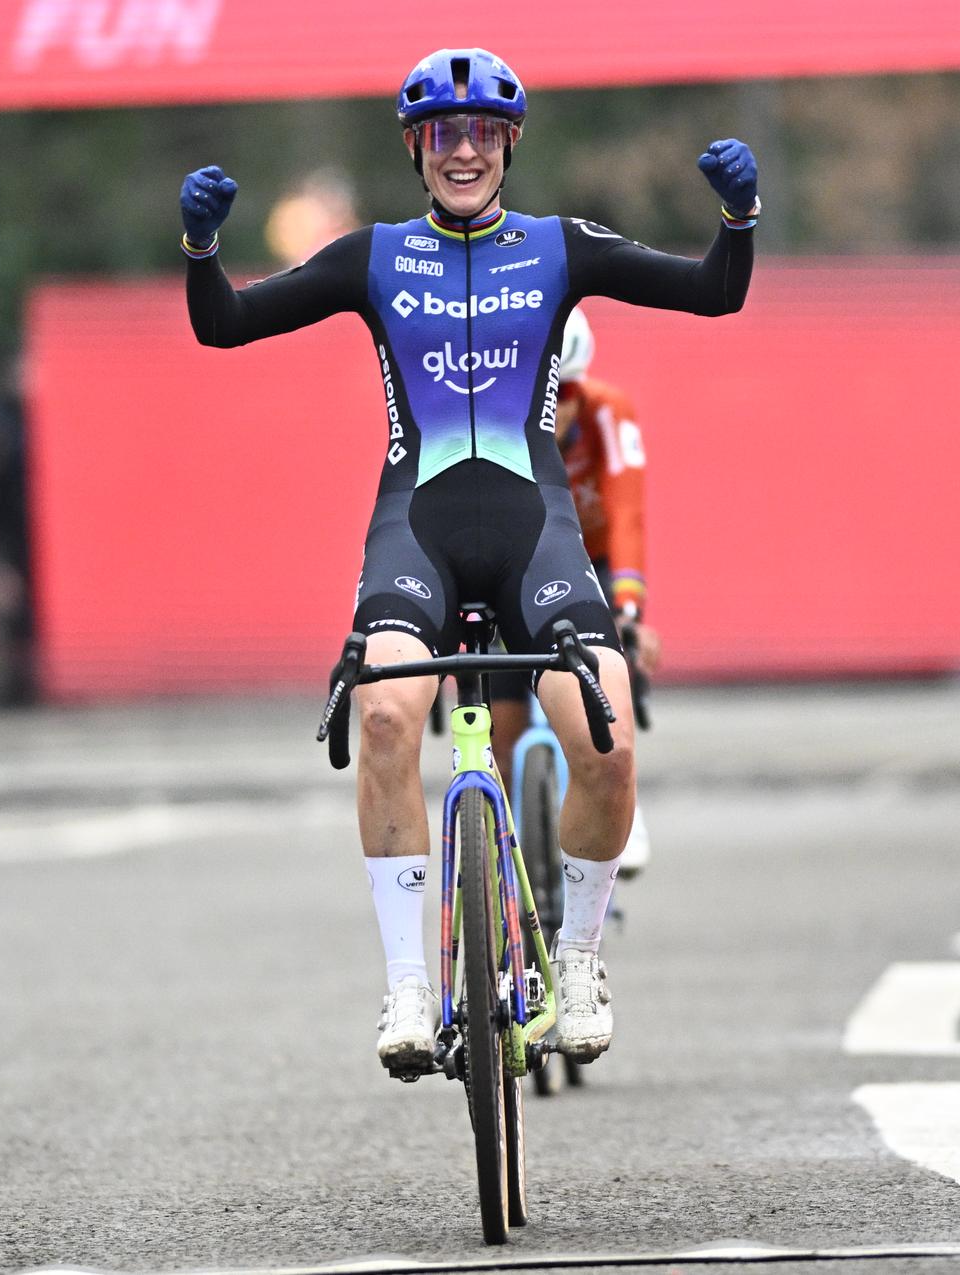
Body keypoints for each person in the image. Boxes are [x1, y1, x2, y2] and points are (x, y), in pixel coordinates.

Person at [177, 47, 757, 1078]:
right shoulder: (374, 257)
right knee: (385, 716)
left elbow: (713, 292)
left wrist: (738, 220)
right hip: (420, 532)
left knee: (609, 737)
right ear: (416, 148)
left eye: (482, 132)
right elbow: (224, 324)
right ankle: (409, 981)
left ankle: (578, 959)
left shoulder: (560, 246)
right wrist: (200, 246)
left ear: (509, 143)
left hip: (537, 536)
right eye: (443, 133)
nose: (463, 151)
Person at [488, 307, 660, 876]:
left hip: (593, 560)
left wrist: (629, 608)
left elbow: (627, 513)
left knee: (614, 661)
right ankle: (503, 871)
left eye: (566, 393)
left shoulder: (610, 412)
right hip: (517, 565)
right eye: (541, 392)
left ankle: (625, 802)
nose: (554, 408)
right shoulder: (490, 420)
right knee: (502, 735)